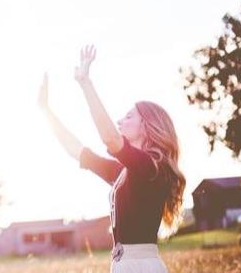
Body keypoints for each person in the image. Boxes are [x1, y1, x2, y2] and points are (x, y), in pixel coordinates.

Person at [37, 45, 186, 273]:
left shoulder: (152, 168)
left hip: (141, 267)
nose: (120, 121)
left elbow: (110, 138)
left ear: (147, 126)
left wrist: (85, 83)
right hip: (123, 266)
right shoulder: (125, 172)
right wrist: (46, 111)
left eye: (129, 116)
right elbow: (76, 149)